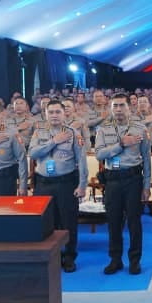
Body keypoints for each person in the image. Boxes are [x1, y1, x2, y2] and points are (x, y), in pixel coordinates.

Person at [94, 94, 150, 275]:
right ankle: (115, 259)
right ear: (111, 109)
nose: (118, 109)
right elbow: (99, 154)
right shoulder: (103, 129)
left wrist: (146, 186)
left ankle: (134, 260)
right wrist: (120, 145)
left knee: (134, 222)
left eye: (121, 106)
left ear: (129, 108)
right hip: (112, 180)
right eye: (115, 106)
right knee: (113, 222)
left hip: (133, 179)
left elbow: (147, 159)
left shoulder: (140, 129)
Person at [29, 101, 88, 272]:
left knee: (68, 221)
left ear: (64, 114)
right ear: (46, 114)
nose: (54, 115)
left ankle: (69, 256)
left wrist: (82, 185)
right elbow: (33, 153)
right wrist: (53, 142)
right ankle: (52, 256)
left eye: (57, 112)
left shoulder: (73, 133)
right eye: (51, 112)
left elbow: (82, 161)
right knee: (46, 222)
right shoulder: (39, 132)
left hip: (66, 183)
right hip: (43, 183)